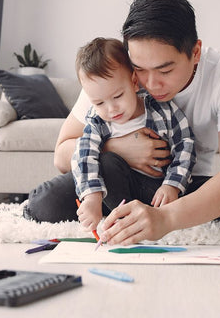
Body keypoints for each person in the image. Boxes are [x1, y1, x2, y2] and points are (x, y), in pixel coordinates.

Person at [25, 0, 220, 243]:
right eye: (139, 69)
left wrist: (166, 219)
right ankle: (126, 214)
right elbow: (62, 156)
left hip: (178, 187)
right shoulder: (114, 72)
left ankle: (140, 215)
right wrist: (119, 147)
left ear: (195, 52)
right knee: (44, 204)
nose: (151, 84)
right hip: (114, 176)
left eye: (165, 70)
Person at [71, 37, 195, 232]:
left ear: (134, 82)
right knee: (105, 163)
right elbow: (84, 154)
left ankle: (135, 218)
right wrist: (92, 197)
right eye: (99, 103)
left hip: (157, 190)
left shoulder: (162, 110)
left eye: (118, 96)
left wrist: (172, 185)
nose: (111, 109)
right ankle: (120, 215)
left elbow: (185, 146)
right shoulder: (98, 120)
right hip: (115, 190)